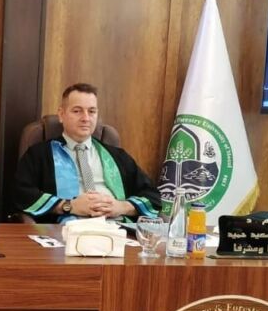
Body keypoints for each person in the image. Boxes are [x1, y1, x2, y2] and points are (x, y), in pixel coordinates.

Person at [8, 82, 160, 222]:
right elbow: (21, 194)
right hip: (65, 232)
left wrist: (121, 207)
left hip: (116, 229)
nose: (86, 118)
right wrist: (68, 206)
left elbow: (153, 196)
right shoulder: (39, 154)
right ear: (61, 114)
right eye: (77, 111)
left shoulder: (117, 156)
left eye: (91, 111)